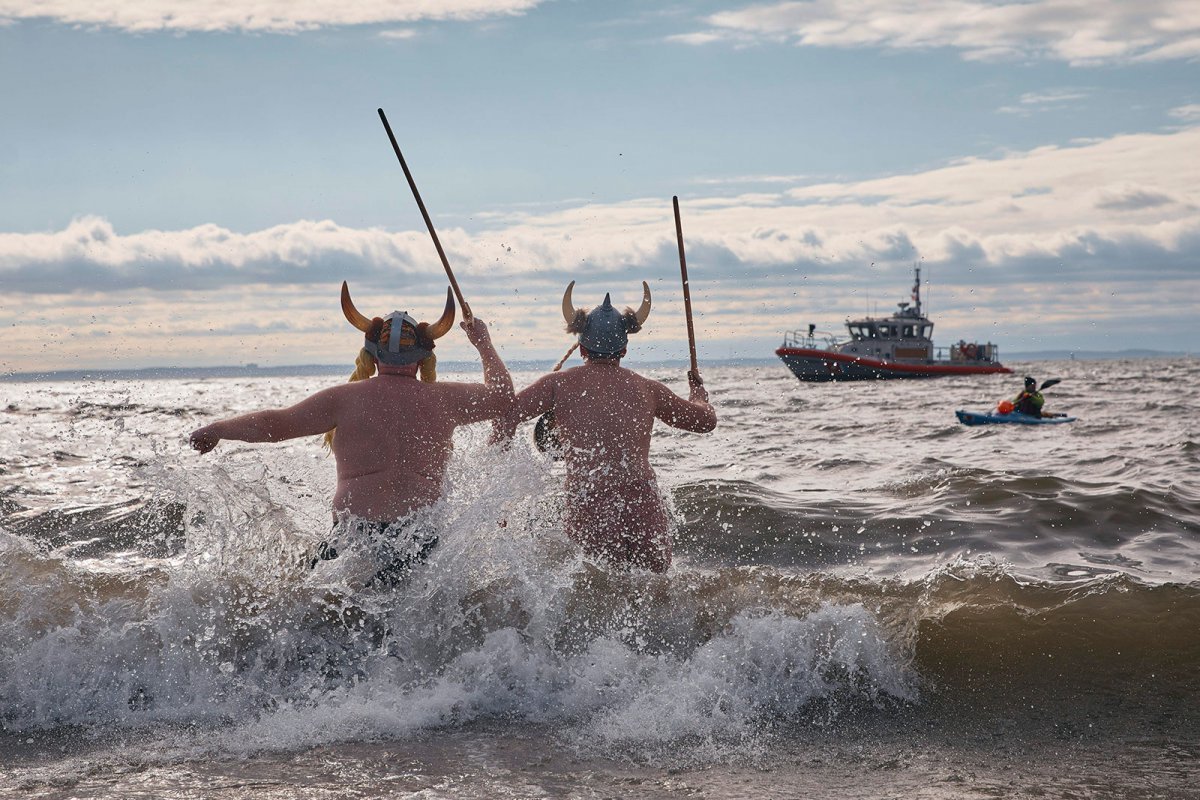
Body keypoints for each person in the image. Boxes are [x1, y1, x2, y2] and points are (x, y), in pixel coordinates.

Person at [189, 282, 514, 586]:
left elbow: (276, 426)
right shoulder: (445, 399)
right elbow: (503, 399)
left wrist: (219, 429)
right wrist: (482, 343)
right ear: (424, 358)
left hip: (351, 537)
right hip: (418, 539)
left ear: (371, 356)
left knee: (326, 619)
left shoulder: (345, 398)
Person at [492, 281, 717, 573]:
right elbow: (704, 422)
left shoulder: (557, 384)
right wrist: (698, 393)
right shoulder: (647, 389)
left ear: (582, 348)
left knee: (597, 589)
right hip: (642, 500)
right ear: (624, 349)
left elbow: (506, 416)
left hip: (589, 500)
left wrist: (500, 476)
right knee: (657, 588)